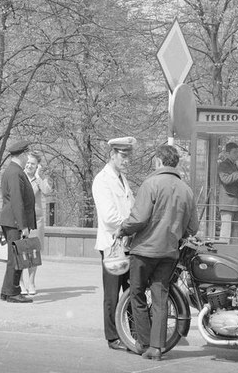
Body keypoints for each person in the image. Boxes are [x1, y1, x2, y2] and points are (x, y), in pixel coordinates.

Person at [118, 145, 199, 361]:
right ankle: (157, 347)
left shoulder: (151, 183)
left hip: (144, 251)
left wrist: (123, 229)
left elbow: (139, 218)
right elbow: (193, 228)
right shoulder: (186, 190)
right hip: (169, 253)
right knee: (160, 295)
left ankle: (143, 342)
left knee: (136, 293)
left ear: (159, 161)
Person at [92, 136, 136, 351]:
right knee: (112, 293)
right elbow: (110, 217)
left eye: (129, 156)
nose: (127, 160)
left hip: (126, 243)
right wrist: (132, 223)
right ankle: (112, 336)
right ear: (112, 154)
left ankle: (134, 334)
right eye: (123, 155)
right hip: (113, 245)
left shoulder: (121, 178)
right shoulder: (102, 180)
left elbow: (131, 206)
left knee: (131, 289)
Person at [0, 140, 37, 303]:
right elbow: (17, 201)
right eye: (26, 155)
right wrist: (24, 226)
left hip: (11, 220)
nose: (27, 159)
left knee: (13, 258)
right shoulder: (15, 172)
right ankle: (13, 292)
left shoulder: (12, 171)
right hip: (15, 222)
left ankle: (7, 291)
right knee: (17, 257)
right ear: (21, 155)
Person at [21, 151, 54, 296]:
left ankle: (31, 282)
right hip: (21, 219)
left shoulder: (39, 179)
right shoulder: (19, 176)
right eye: (27, 163)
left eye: (32, 164)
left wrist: (39, 177)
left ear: (37, 166)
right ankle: (20, 283)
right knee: (20, 252)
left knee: (34, 252)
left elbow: (47, 191)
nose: (29, 166)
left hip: (36, 220)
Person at [218, 142, 238, 241]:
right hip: (227, 202)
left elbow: (236, 180)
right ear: (227, 153)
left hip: (236, 202)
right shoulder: (223, 165)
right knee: (226, 229)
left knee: (236, 229)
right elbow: (225, 179)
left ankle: (235, 247)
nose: (237, 154)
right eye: (234, 152)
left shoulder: (234, 165)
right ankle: (224, 250)